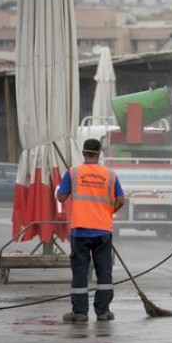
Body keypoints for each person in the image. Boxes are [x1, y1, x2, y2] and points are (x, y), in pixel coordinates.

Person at [57, 138, 125, 322]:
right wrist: (107, 212)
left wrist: (63, 187)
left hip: (80, 231)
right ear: (99, 153)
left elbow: (61, 197)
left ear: (83, 153)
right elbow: (121, 200)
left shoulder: (72, 173)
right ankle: (103, 312)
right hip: (103, 230)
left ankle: (79, 313)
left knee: (80, 271)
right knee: (104, 272)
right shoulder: (110, 175)